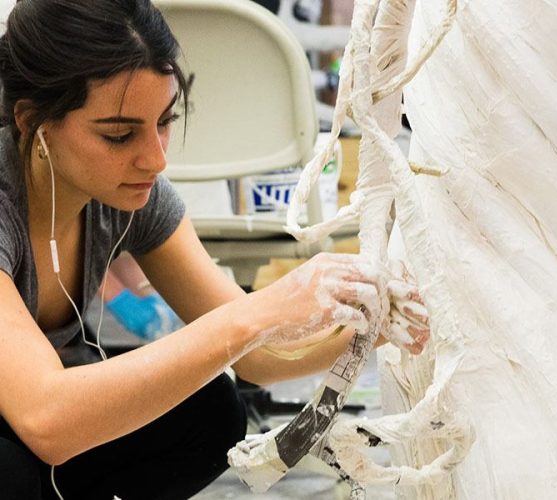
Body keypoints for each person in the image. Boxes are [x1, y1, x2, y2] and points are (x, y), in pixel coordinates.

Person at [0, 1, 428, 499]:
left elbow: (258, 358)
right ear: (33, 121)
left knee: (211, 413)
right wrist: (261, 311)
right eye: (119, 135)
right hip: (23, 432)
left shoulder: (132, 194)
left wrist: (372, 330)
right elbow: (47, 420)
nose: (156, 159)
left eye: (164, 121)